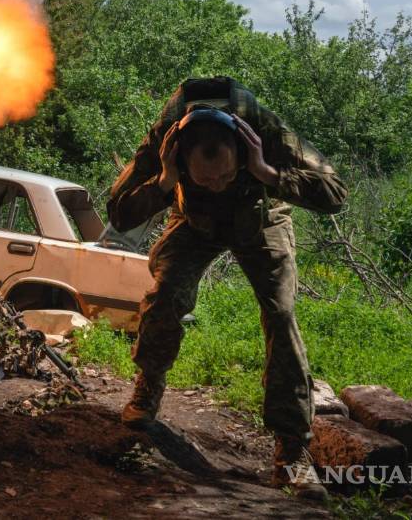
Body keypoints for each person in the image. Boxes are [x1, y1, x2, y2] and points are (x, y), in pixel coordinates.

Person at [107, 76, 347, 500]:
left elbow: (335, 192)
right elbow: (119, 212)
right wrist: (164, 182)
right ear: (181, 159)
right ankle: (149, 384)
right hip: (192, 221)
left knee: (282, 314)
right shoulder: (166, 136)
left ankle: (292, 453)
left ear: (244, 147)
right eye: (205, 179)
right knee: (166, 296)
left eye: (223, 177)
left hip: (260, 218)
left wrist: (266, 172)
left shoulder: (265, 129)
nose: (216, 184)